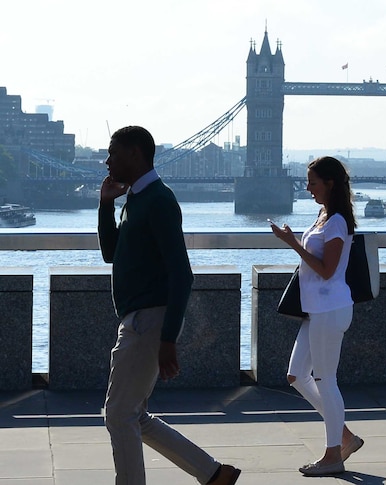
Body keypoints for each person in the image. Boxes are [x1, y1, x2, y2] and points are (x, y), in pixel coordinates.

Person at [99, 126, 241, 485]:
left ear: (135, 153)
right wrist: (105, 204)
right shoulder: (137, 199)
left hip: (148, 320)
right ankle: (213, 474)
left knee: (119, 414)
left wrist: (168, 337)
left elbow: (182, 273)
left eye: (113, 152)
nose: (107, 160)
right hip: (138, 318)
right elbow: (110, 253)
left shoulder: (159, 200)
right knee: (134, 414)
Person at [270, 156, 363, 476]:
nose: (307, 187)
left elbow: (327, 270)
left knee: (326, 380)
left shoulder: (337, 221)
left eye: (312, 182)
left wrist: (292, 242)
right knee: (297, 376)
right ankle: (345, 436)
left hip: (330, 309)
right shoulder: (323, 216)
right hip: (316, 311)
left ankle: (333, 454)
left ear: (330, 183)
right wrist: (294, 241)